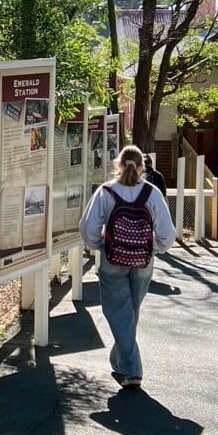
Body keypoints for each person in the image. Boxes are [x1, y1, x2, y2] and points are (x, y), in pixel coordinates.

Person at [79, 145, 176, 389]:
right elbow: (167, 234)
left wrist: (101, 245)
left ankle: (132, 370)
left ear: (117, 165)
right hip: (143, 261)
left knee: (120, 313)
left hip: (113, 259)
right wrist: (153, 248)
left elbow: (88, 227)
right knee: (129, 313)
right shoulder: (152, 193)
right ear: (143, 167)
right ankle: (121, 361)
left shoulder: (106, 192)